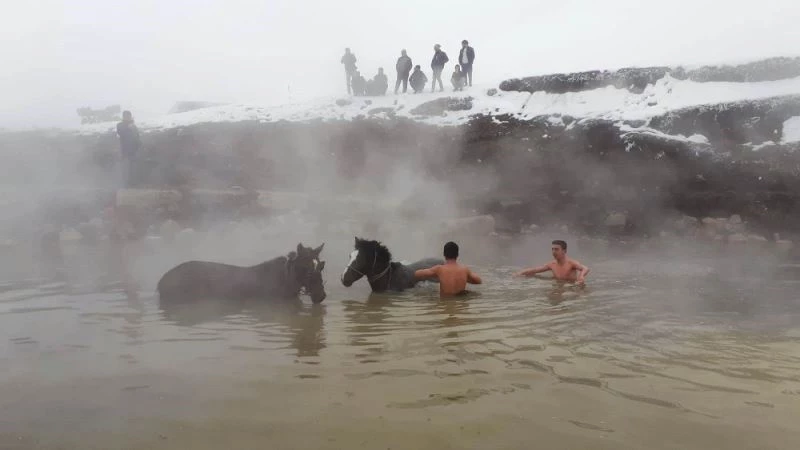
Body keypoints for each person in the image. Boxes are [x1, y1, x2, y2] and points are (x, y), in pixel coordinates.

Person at [414, 241, 482, 297]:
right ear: (457, 255)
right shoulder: (464, 269)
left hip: (444, 306)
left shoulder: (439, 269)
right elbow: (479, 281)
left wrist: (435, 275)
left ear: (444, 254)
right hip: (460, 307)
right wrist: (464, 278)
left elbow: (417, 274)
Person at [513, 240, 590, 285]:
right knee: (532, 275)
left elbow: (585, 268)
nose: (553, 252)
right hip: (558, 286)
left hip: (571, 287)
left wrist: (581, 276)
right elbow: (535, 270)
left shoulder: (571, 263)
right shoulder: (551, 264)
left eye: (556, 249)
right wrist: (520, 273)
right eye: (552, 249)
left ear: (564, 251)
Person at [116, 110, 141, 188]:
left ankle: (133, 184)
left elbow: (137, 137)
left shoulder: (134, 126)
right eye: (126, 116)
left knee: (133, 168)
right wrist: (128, 127)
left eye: (128, 116)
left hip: (133, 151)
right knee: (125, 168)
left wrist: (138, 145)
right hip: (124, 150)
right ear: (123, 117)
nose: (127, 117)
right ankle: (124, 184)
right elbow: (121, 132)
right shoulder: (120, 125)